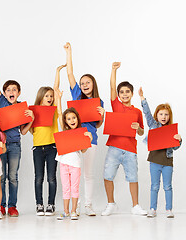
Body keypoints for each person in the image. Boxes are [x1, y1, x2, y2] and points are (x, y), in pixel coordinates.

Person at [0, 54, 34, 217]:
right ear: (5, 93)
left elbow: (24, 131)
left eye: (14, 89)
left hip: (14, 145)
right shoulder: (2, 102)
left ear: (19, 92)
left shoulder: (22, 107)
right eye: (8, 90)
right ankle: (1, 205)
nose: (11, 91)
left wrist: (31, 119)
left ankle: (12, 206)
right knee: (0, 177)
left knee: (12, 177)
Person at [64, 42, 105, 216]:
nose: (84, 85)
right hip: (74, 139)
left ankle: (87, 204)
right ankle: (76, 205)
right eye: (82, 83)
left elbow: (97, 125)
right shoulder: (76, 96)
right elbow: (70, 73)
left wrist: (102, 116)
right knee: (74, 174)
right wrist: (69, 52)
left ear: (93, 84)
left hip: (91, 139)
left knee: (88, 174)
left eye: (87, 82)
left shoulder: (99, 102)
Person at [102, 62, 147, 216]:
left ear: (132, 94)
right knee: (107, 175)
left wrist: (138, 128)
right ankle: (110, 203)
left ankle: (135, 206)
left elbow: (141, 132)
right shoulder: (116, 106)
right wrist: (113, 70)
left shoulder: (137, 111)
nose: (124, 94)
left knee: (133, 177)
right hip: (114, 147)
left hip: (130, 149)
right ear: (119, 94)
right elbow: (111, 86)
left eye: (127, 92)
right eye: (122, 92)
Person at [138, 87, 182, 218]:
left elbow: (175, 147)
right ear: (157, 115)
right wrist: (142, 98)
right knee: (154, 186)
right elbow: (146, 113)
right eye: (161, 114)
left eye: (166, 115)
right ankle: (153, 209)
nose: (164, 117)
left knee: (168, 186)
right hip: (154, 161)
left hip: (167, 162)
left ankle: (169, 209)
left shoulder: (171, 129)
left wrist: (179, 140)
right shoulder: (153, 125)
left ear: (169, 117)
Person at [29, 64, 66, 216]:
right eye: (47, 96)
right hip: (38, 148)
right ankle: (39, 204)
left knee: (51, 177)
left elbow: (56, 89)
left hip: (52, 147)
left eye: (51, 96)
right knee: (39, 178)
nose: (50, 98)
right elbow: (31, 130)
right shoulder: (34, 111)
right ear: (41, 97)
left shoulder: (54, 111)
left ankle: (51, 204)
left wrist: (57, 72)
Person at [54, 89, 93, 220]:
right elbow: (59, 113)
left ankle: (73, 211)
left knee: (75, 187)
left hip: (75, 164)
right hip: (64, 163)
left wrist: (89, 139)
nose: (71, 120)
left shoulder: (81, 132)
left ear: (77, 119)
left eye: (74, 118)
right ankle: (65, 211)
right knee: (65, 188)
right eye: (69, 119)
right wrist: (58, 98)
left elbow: (83, 151)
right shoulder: (65, 130)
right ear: (65, 121)